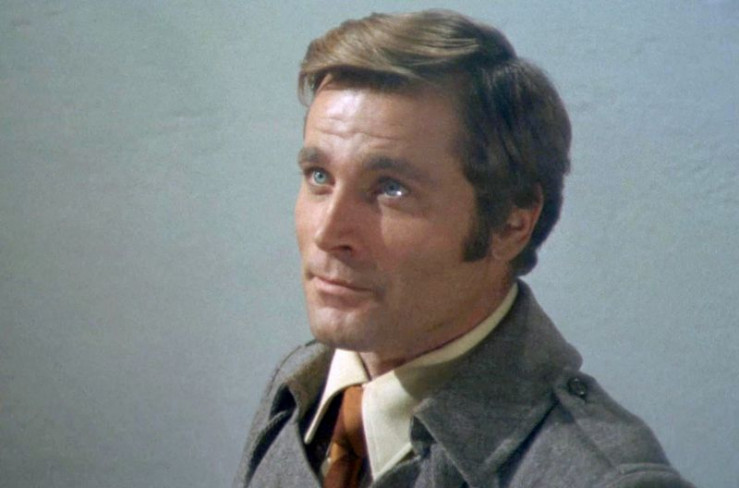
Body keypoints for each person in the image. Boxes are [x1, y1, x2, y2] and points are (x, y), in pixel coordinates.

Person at [234, 9, 694, 488]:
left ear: (511, 224)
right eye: (319, 177)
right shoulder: (301, 389)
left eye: (391, 188)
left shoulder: (605, 479)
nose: (329, 233)